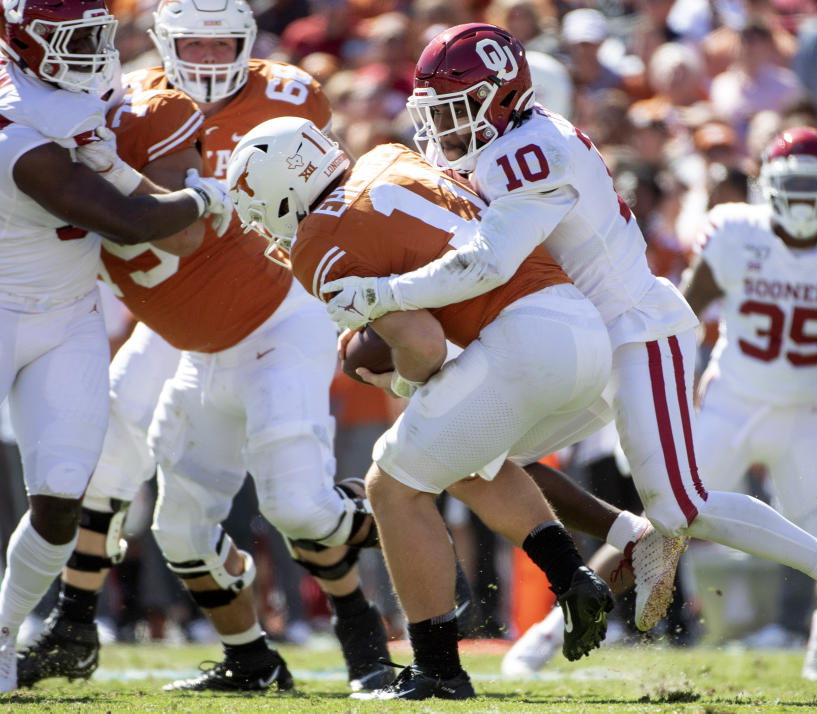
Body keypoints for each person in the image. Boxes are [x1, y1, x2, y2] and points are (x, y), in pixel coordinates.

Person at [321, 23, 817, 670]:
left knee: (680, 503)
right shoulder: (510, 142)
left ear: (503, 99)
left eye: (457, 112)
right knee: (475, 456)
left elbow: (484, 264)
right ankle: (632, 536)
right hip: (573, 338)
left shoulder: (530, 150)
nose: (444, 131)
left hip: (632, 331)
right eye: (436, 115)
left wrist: (378, 295)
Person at [15, 0, 392, 694]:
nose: (210, 61)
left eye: (225, 46)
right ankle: (240, 657)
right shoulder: (76, 122)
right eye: (196, 45)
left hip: (272, 309)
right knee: (163, 513)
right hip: (185, 332)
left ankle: (381, 571)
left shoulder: (197, 107)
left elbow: (187, 224)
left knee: (297, 503)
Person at [227, 116, 628, 700]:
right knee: (465, 458)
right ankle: (572, 575)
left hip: (521, 340)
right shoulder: (389, 156)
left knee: (390, 486)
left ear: (280, 191)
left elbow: (421, 343)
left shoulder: (317, 243)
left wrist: (407, 385)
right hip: (582, 332)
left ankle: (438, 668)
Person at [0, 0, 232, 694]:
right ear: (22, 42)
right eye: (72, 39)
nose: (92, 51)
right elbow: (130, 221)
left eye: (97, 35)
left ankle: (4, 631)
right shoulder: (14, 119)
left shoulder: (88, 91)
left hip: (68, 314)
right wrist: (209, 196)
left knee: (63, 495)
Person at [681, 127, 817, 680]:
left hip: (808, 415)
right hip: (730, 402)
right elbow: (682, 316)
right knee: (664, 514)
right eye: (793, 183)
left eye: (814, 184)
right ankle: (561, 624)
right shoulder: (735, 231)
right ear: (766, 187)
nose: (802, 197)